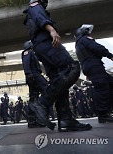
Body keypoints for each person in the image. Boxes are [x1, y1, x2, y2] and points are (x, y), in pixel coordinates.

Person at [23, 0, 92, 131]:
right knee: (71, 68)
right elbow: (40, 17)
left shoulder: (31, 11)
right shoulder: (35, 6)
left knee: (59, 81)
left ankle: (65, 120)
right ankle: (42, 103)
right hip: (47, 43)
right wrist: (52, 30)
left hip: (41, 46)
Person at [75, 24, 113, 123]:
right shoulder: (84, 39)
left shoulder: (78, 43)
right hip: (94, 65)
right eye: (87, 31)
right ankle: (103, 114)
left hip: (89, 66)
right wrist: (109, 55)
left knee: (110, 83)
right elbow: (96, 47)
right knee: (102, 88)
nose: (89, 32)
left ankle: (106, 112)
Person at [22, 40, 50, 128]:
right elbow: (26, 64)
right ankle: (41, 117)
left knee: (33, 98)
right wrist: (28, 74)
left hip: (34, 76)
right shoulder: (27, 52)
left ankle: (33, 120)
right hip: (34, 75)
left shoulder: (32, 53)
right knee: (47, 92)